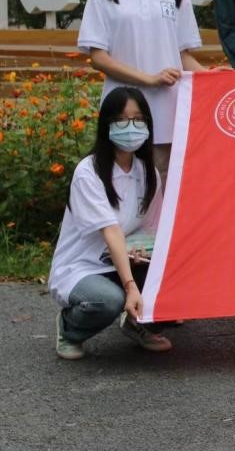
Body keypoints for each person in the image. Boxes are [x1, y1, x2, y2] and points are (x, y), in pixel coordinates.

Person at [77, 0, 206, 186]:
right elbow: (98, 56)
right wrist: (148, 79)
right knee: (122, 187)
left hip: (170, 114)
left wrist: (216, 80)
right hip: (124, 116)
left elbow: (183, 55)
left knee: (167, 190)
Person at [49, 87, 172, 360]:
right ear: (106, 125)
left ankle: (138, 325)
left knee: (176, 283)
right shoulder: (88, 173)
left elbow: (151, 228)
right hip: (85, 266)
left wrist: (143, 251)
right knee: (107, 301)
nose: (131, 127)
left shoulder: (148, 173)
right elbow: (111, 231)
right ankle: (69, 328)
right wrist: (130, 285)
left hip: (127, 260)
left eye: (138, 119)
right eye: (121, 120)